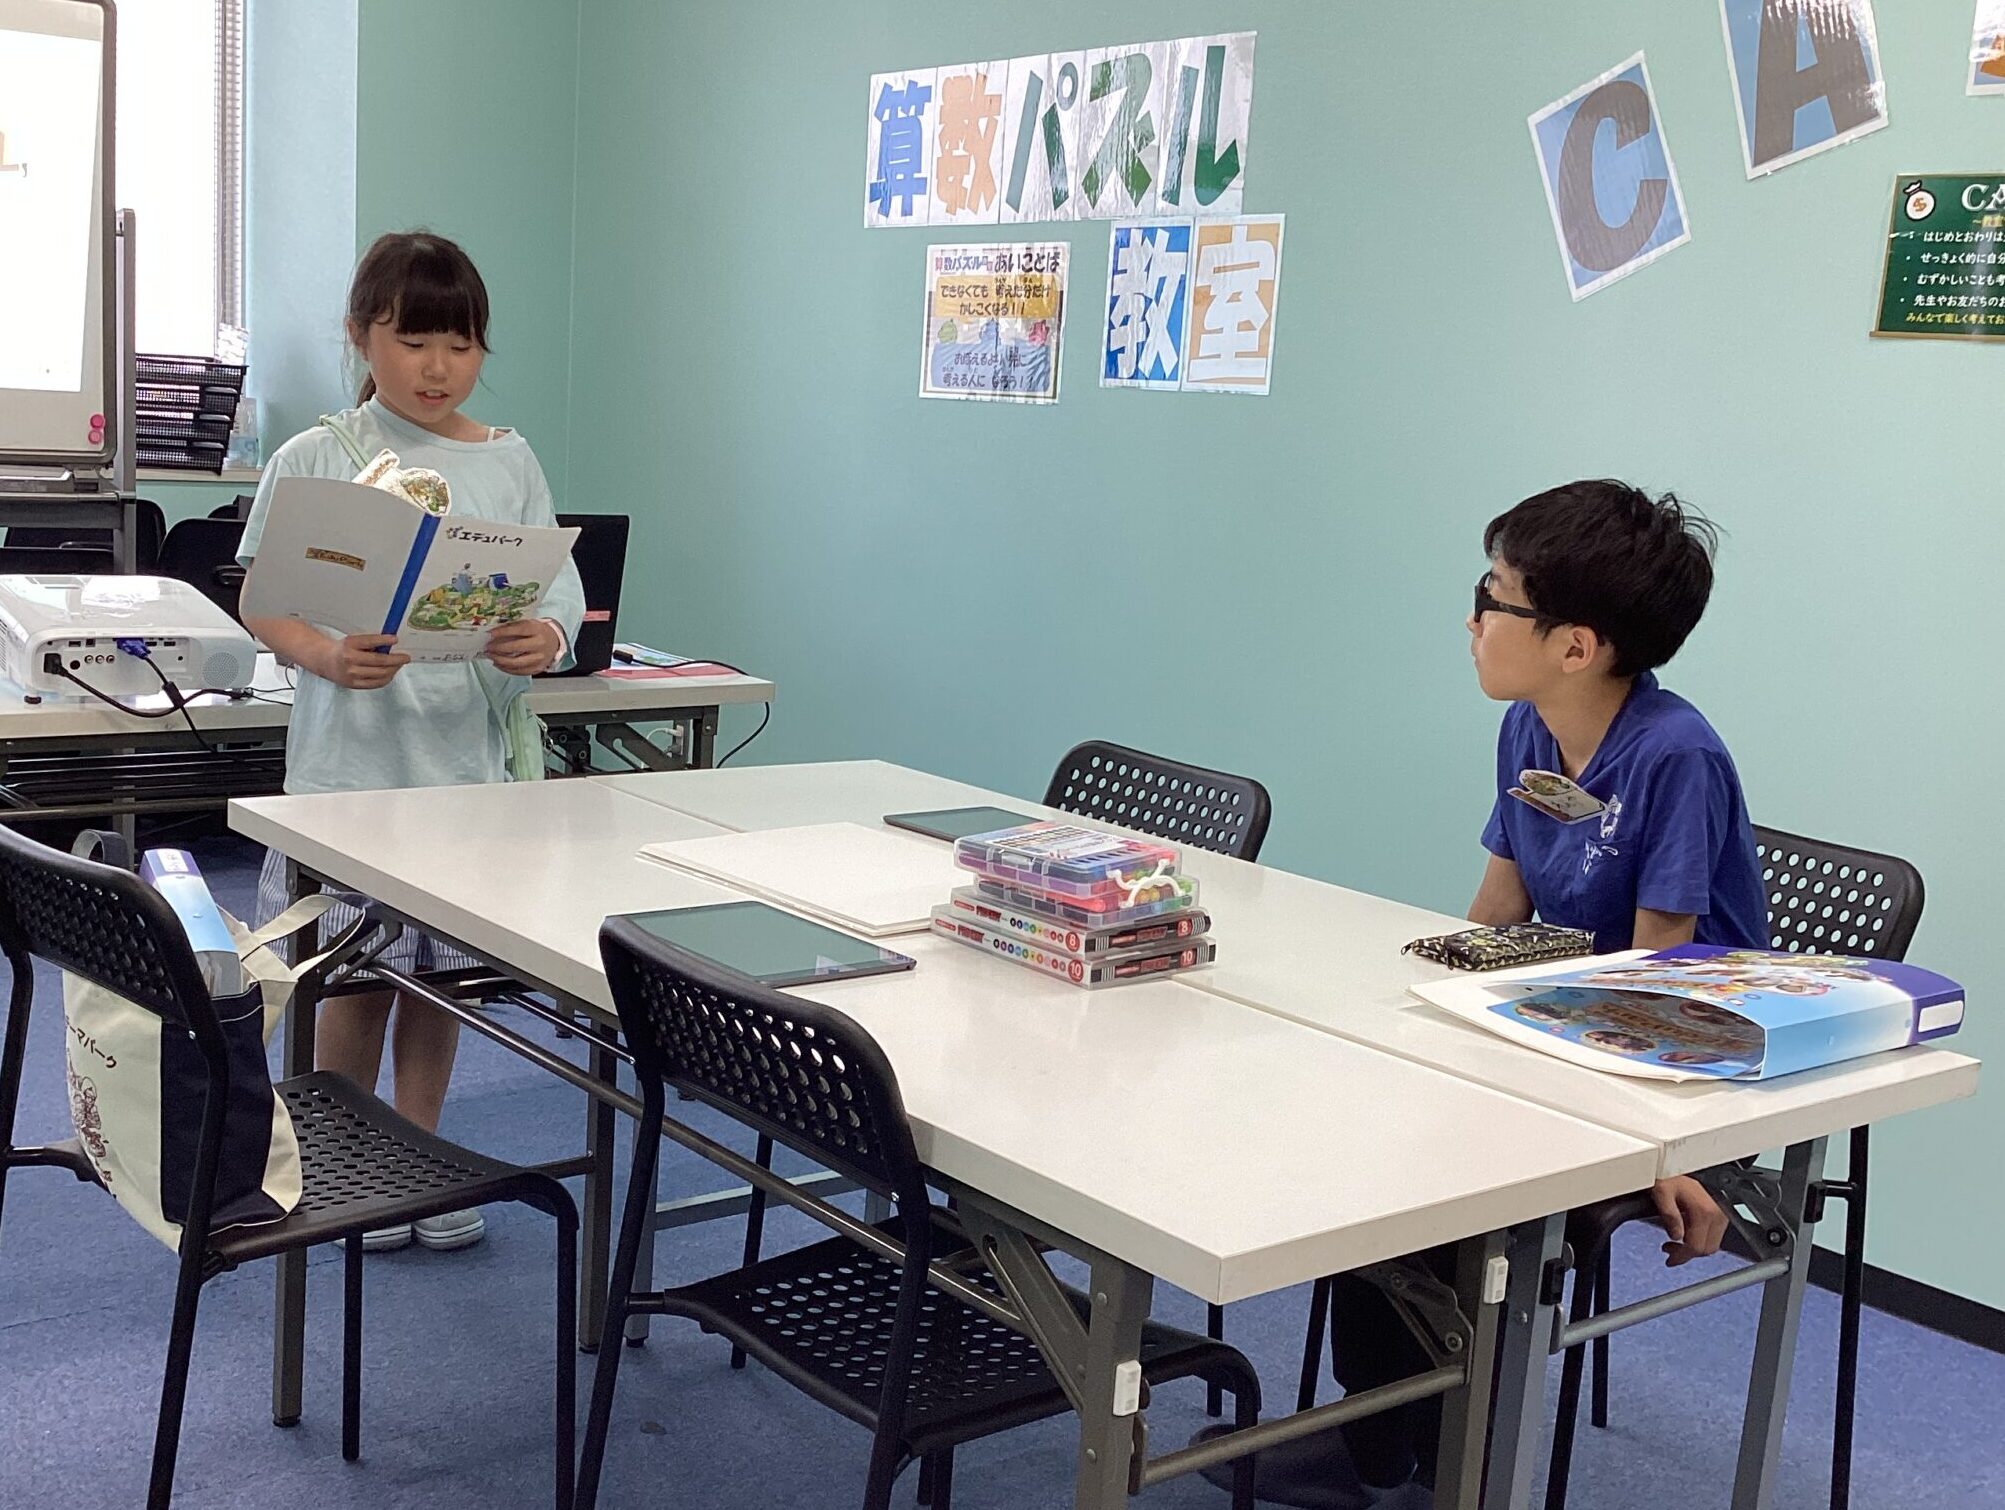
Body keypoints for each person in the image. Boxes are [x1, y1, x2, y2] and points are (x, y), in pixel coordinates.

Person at [1203, 482, 1761, 1507]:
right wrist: (1406, 1021)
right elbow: (1496, 913)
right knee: (1364, 1126)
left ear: (1574, 646)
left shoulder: (1675, 756)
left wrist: (1670, 1150)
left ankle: (1442, 1458)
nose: (1471, 621)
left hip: (1677, 1061)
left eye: (1491, 599)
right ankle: (1378, 1440)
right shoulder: (1528, 727)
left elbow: (1657, 978)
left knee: (1449, 1189)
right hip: (1553, 1026)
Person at [240, 230, 584, 1253]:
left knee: (438, 981)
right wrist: (323, 653)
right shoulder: (317, 456)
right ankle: (339, 1164)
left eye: (461, 345)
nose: (438, 368)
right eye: (413, 341)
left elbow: (557, 596)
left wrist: (542, 639)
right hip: (350, 773)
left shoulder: (508, 459)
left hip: (462, 773)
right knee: (349, 977)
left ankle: (419, 1155)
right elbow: (264, 599)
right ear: (360, 337)